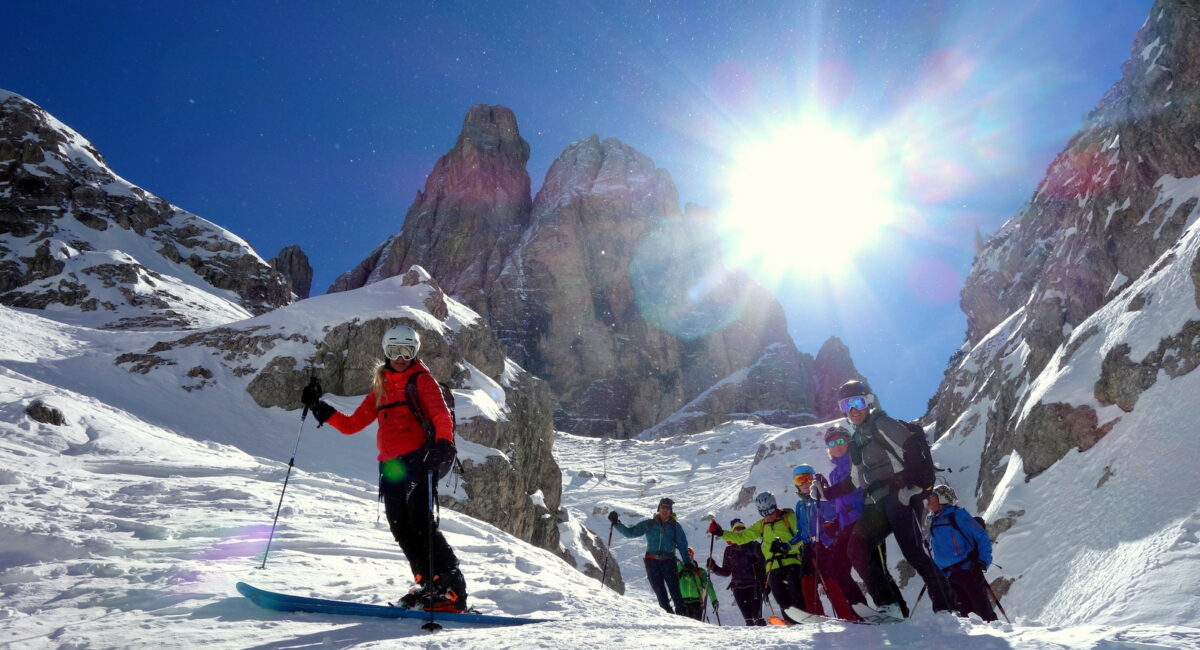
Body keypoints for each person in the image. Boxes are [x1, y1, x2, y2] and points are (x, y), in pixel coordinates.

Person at [300, 324, 466, 612]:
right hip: (389, 466)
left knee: (421, 522)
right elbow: (352, 425)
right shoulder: (381, 385)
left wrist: (443, 444)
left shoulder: (423, 381)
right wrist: (319, 406)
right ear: (385, 352)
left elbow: (440, 415)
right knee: (400, 525)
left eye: (406, 350)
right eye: (394, 350)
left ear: (415, 352)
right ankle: (428, 582)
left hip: (418, 461)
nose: (400, 357)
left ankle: (451, 590)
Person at [812, 380, 955, 618]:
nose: (852, 409)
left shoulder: (884, 424)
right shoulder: (856, 441)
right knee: (856, 548)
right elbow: (855, 481)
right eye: (846, 405)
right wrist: (826, 493)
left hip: (900, 495)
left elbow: (914, 453)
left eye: (857, 402)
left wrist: (914, 488)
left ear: (868, 401)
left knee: (914, 553)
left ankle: (946, 606)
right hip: (876, 504)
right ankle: (888, 604)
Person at [820, 424, 898, 620]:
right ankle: (860, 610)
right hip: (847, 525)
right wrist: (836, 524)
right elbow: (839, 502)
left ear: (849, 442)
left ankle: (892, 607)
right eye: (832, 442)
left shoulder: (859, 460)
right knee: (838, 568)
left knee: (876, 567)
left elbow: (858, 488)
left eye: (841, 441)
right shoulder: (833, 473)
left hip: (867, 519)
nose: (837, 446)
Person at [707, 492, 806, 622]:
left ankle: (803, 620)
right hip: (773, 569)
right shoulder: (761, 525)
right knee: (783, 602)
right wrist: (720, 533)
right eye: (764, 513)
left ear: (775, 506)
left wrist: (787, 546)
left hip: (791, 564)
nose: (768, 515)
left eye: (770, 511)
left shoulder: (789, 518)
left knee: (796, 597)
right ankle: (793, 624)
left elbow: (804, 534)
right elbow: (741, 537)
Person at [789, 464, 858, 620]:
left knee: (830, 582)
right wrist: (788, 544)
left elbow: (830, 517)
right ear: (796, 484)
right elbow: (801, 532)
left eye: (809, 478)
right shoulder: (799, 505)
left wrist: (822, 494)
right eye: (801, 479)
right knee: (806, 582)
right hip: (808, 547)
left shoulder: (821, 498)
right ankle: (816, 615)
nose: (805, 483)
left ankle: (847, 615)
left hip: (824, 545)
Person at [609, 497, 692, 615]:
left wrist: (687, 562)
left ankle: (684, 619)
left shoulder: (675, 526)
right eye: (663, 507)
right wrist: (616, 523)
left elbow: (683, 545)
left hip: (669, 562)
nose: (665, 510)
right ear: (659, 508)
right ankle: (670, 621)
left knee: (676, 595)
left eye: (668, 508)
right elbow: (630, 533)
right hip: (652, 563)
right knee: (661, 597)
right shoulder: (649, 524)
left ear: (671, 511)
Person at [926, 485, 998, 622]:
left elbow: (981, 536)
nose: (928, 501)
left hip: (968, 572)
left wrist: (983, 561)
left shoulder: (957, 515)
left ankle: (1000, 639)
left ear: (942, 499)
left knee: (984, 615)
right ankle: (978, 644)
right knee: (965, 619)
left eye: (932, 497)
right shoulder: (934, 521)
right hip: (947, 576)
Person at [707, 519, 767, 626]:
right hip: (738, 588)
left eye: (742, 529)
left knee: (757, 618)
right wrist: (713, 567)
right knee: (748, 620)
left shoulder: (754, 546)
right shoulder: (729, 550)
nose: (739, 531)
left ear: (746, 531)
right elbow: (726, 572)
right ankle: (756, 642)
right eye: (737, 529)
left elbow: (763, 566)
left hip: (754, 586)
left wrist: (764, 584)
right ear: (733, 533)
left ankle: (765, 638)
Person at [677, 548, 719, 621]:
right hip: (682, 603)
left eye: (690, 555)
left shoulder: (699, 571)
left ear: (693, 556)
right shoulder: (679, 569)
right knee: (682, 629)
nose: (688, 558)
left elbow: (708, 586)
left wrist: (714, 600)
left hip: (697, 603)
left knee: (695, 628)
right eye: (686, 556)